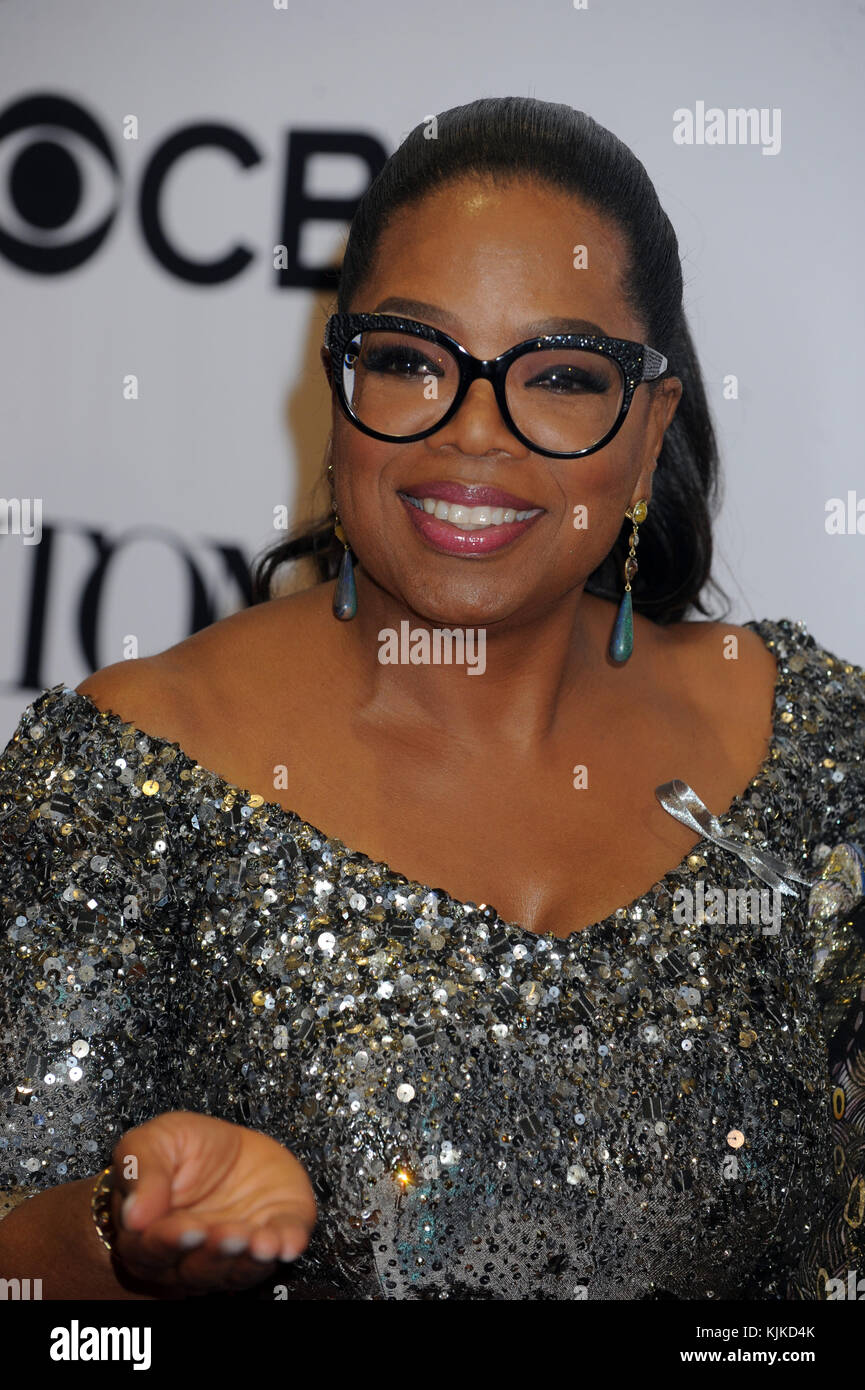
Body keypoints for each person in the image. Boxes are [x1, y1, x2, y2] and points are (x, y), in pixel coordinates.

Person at [1, 96, 863, 1301]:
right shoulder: (123, 776)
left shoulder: (819, 751)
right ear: (340, 380)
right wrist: (118, 1237)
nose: (472, 434)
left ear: (647, 426)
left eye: (559, 376)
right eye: (412, 360)